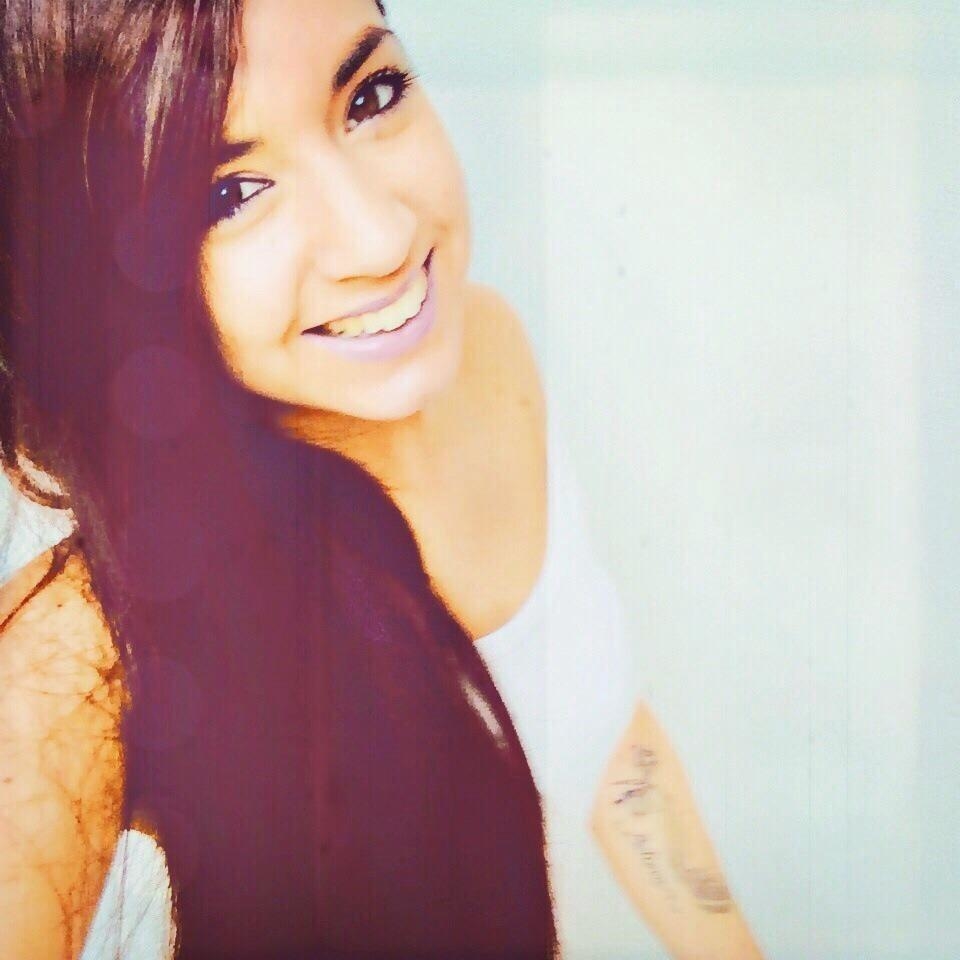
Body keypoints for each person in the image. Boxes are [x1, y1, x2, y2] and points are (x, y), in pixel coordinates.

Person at [0, 1, 765, 958]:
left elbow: (606, 736)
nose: (379, 239)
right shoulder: (78, 648)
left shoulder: (485, 355)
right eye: (229, 194)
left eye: (372, 95)